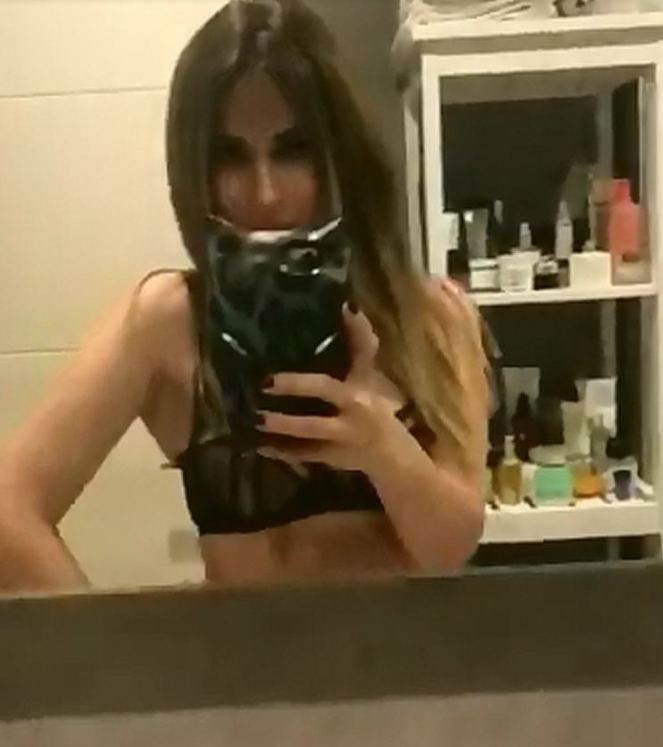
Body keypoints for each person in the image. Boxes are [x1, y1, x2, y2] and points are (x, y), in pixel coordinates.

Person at [0, 0, 489, 592]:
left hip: (396, 654)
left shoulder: (434, 319)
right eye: (230, 156)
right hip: (242, 656)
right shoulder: (169, 322)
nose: (264, 193)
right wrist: (116, 644)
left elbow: (451, 547)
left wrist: (380, 447)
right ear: (196, 171)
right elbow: (8, 513)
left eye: (293, 149)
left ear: (339, 153)